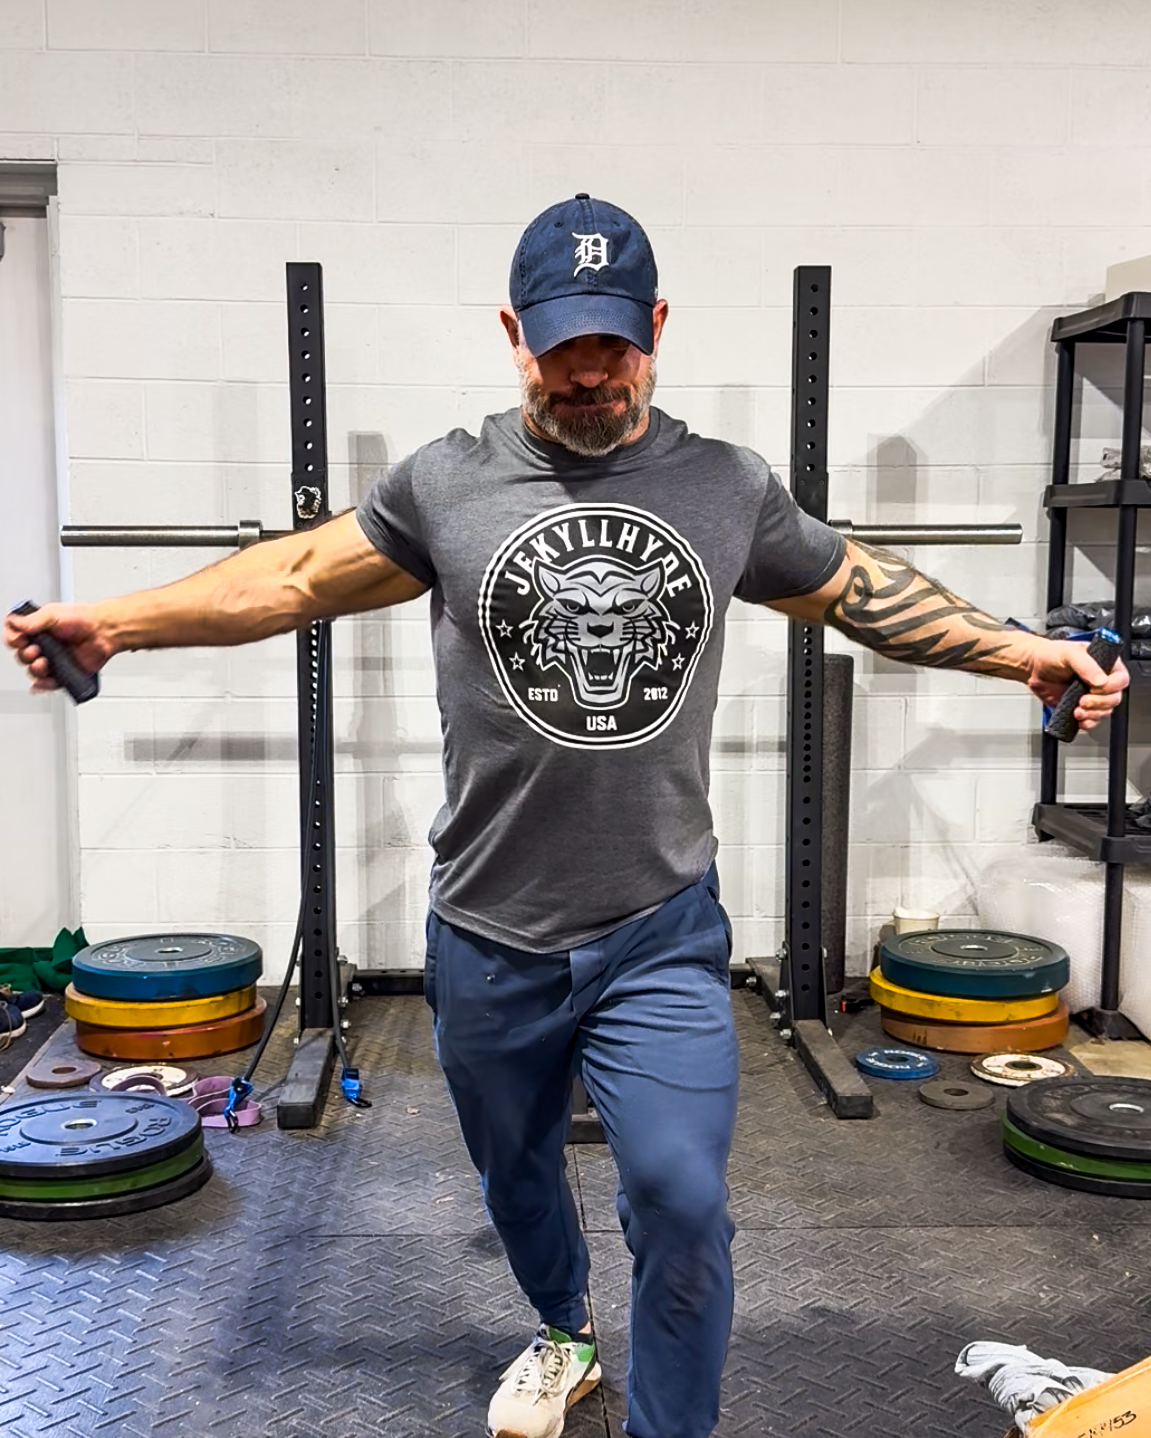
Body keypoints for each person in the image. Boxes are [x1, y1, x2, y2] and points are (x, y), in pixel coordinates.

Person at [5, 195, 1128, 1438]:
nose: (586, 372)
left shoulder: (722, 487)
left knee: (680, 1197)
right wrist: (117, 622)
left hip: (657, 932)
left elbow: (859, 587)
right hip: (485, 931)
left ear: (653, 327)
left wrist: (1021, 650)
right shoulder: (448, 482)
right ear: (512, 333)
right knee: (517, 1178)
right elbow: (289, 576)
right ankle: (561, 1329)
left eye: (610, 343)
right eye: (559, 347)